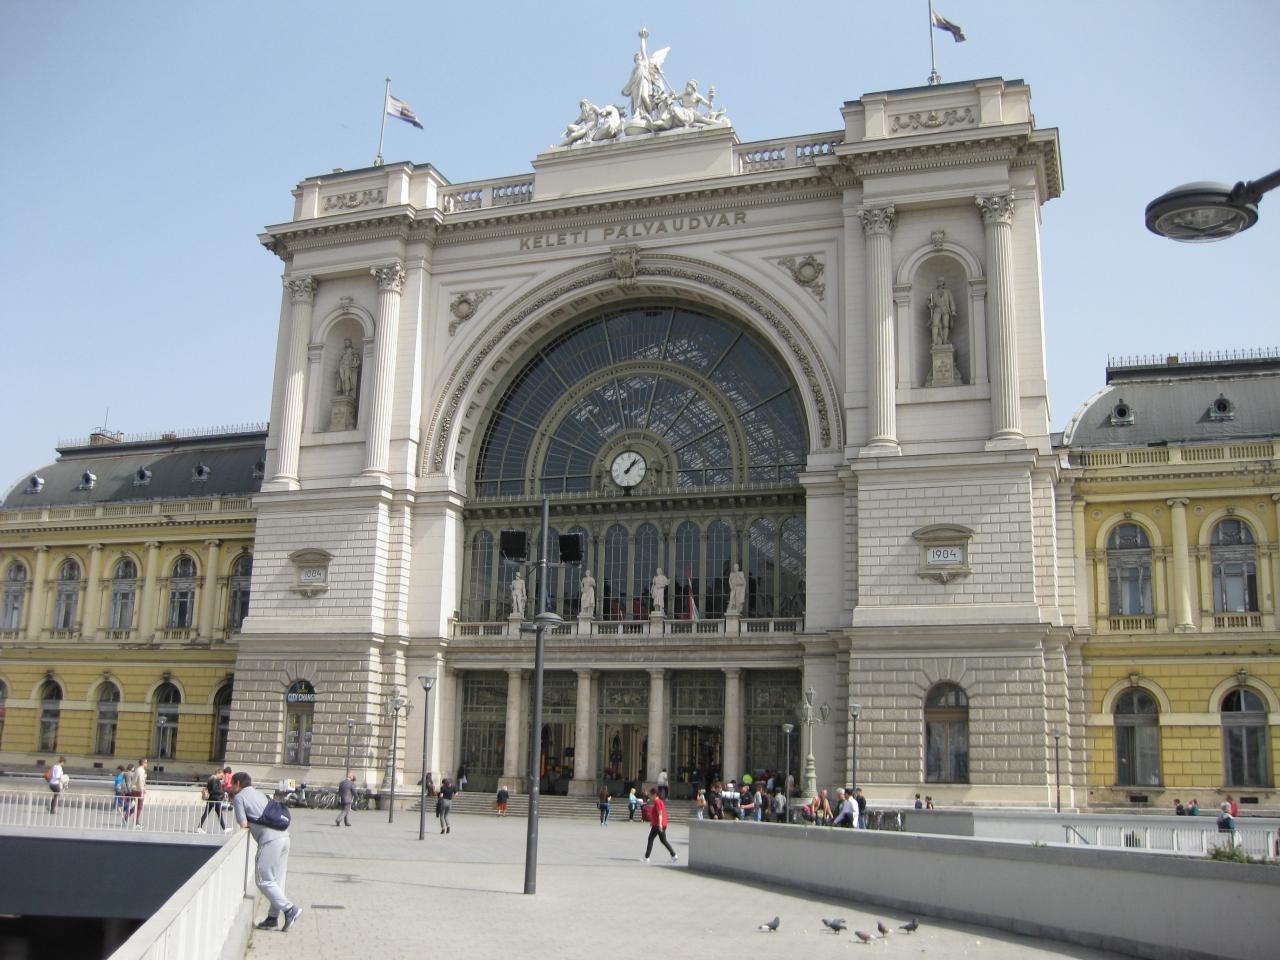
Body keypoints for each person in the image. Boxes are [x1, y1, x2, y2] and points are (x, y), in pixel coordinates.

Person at [229, 772, 301, 932]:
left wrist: (239, 809)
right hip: (284, 837)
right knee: (277, 880)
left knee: (263, 880)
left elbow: (243, 823)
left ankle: (290, 909)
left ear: (238, 784)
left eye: (232, 784)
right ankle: (272, 919)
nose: (231, 787)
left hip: (270, 840)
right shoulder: (259, 794)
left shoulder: (239, 797)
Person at [642, 787, 677, 863]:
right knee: (663, 840)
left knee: (651, 839)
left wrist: (660, 824)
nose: (650, 797)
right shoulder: (659, 802)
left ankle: (647, 857)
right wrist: (653, 822)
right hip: (659, 824)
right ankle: (673, 855)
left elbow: (660, 814)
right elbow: (657, 814)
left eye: (650, 795)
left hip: (658, 825)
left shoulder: (658, 802)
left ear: (654, 795)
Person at [198, 765, 229, 833]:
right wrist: (222, 792)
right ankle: (199, 827)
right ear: (218, 773)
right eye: (221, 775)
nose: (222, 777)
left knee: (213, 813)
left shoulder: (211, 778)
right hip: (215, 799)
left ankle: (224, 828)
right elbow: (214, 789)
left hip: (213, 799)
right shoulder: (214, 779)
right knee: (216, 814)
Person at [927, 276, 957, 346]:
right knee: (935, 325)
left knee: (945, 325)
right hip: (937, 309)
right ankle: (934, 342)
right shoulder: (934, 292)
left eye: (940, 281)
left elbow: (951, 301)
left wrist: (953, 310)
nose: (939, 282)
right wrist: (929, 305)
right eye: (938, 281)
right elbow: (928, 300)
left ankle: (945, 341)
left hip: (945, 309)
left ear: (943, 282)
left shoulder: (947, 291)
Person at [131, 758, 148, 828]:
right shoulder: (141, 770)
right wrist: (142, 790)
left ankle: (127, 816)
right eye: (146, 762)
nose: (147, 764)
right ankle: (136, 822)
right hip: (139, 790)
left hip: (135, 789)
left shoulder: (137, 769)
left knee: (137, 806)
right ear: (143, 763)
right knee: (139, 807)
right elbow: (141, 781)